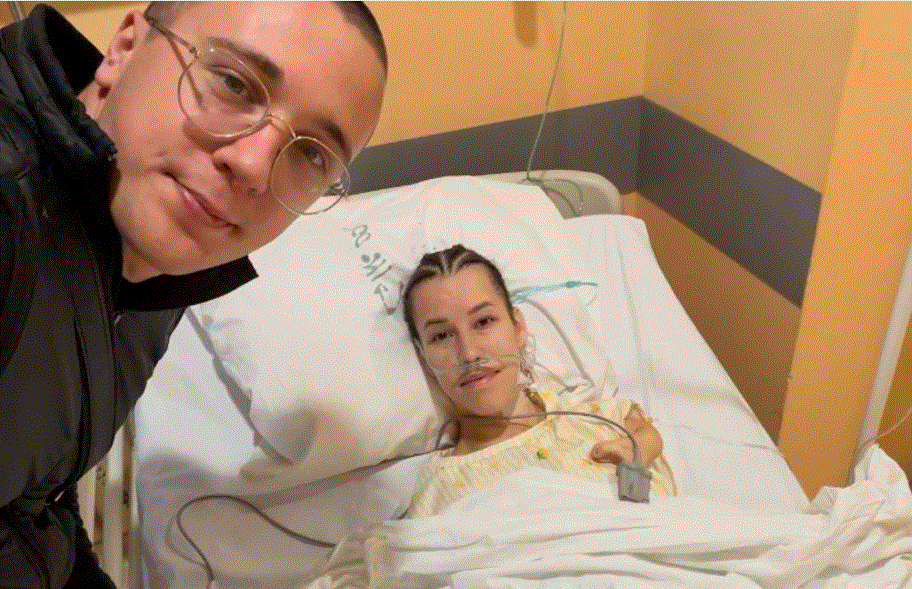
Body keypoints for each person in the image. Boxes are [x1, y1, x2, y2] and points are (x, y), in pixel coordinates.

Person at [0, 2, 387, 587]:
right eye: (233, 83)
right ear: (124, 48)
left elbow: (36, 490)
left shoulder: (158, 251)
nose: (254, 166)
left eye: (311, 152)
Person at [401, 244, 677, 518]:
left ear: (518, 327)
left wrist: (637, 447)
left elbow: (642, 430)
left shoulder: (593, 420)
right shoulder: (438, 491)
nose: (470, 353)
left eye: (483, 322)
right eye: (441, 336)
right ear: (424, 360)